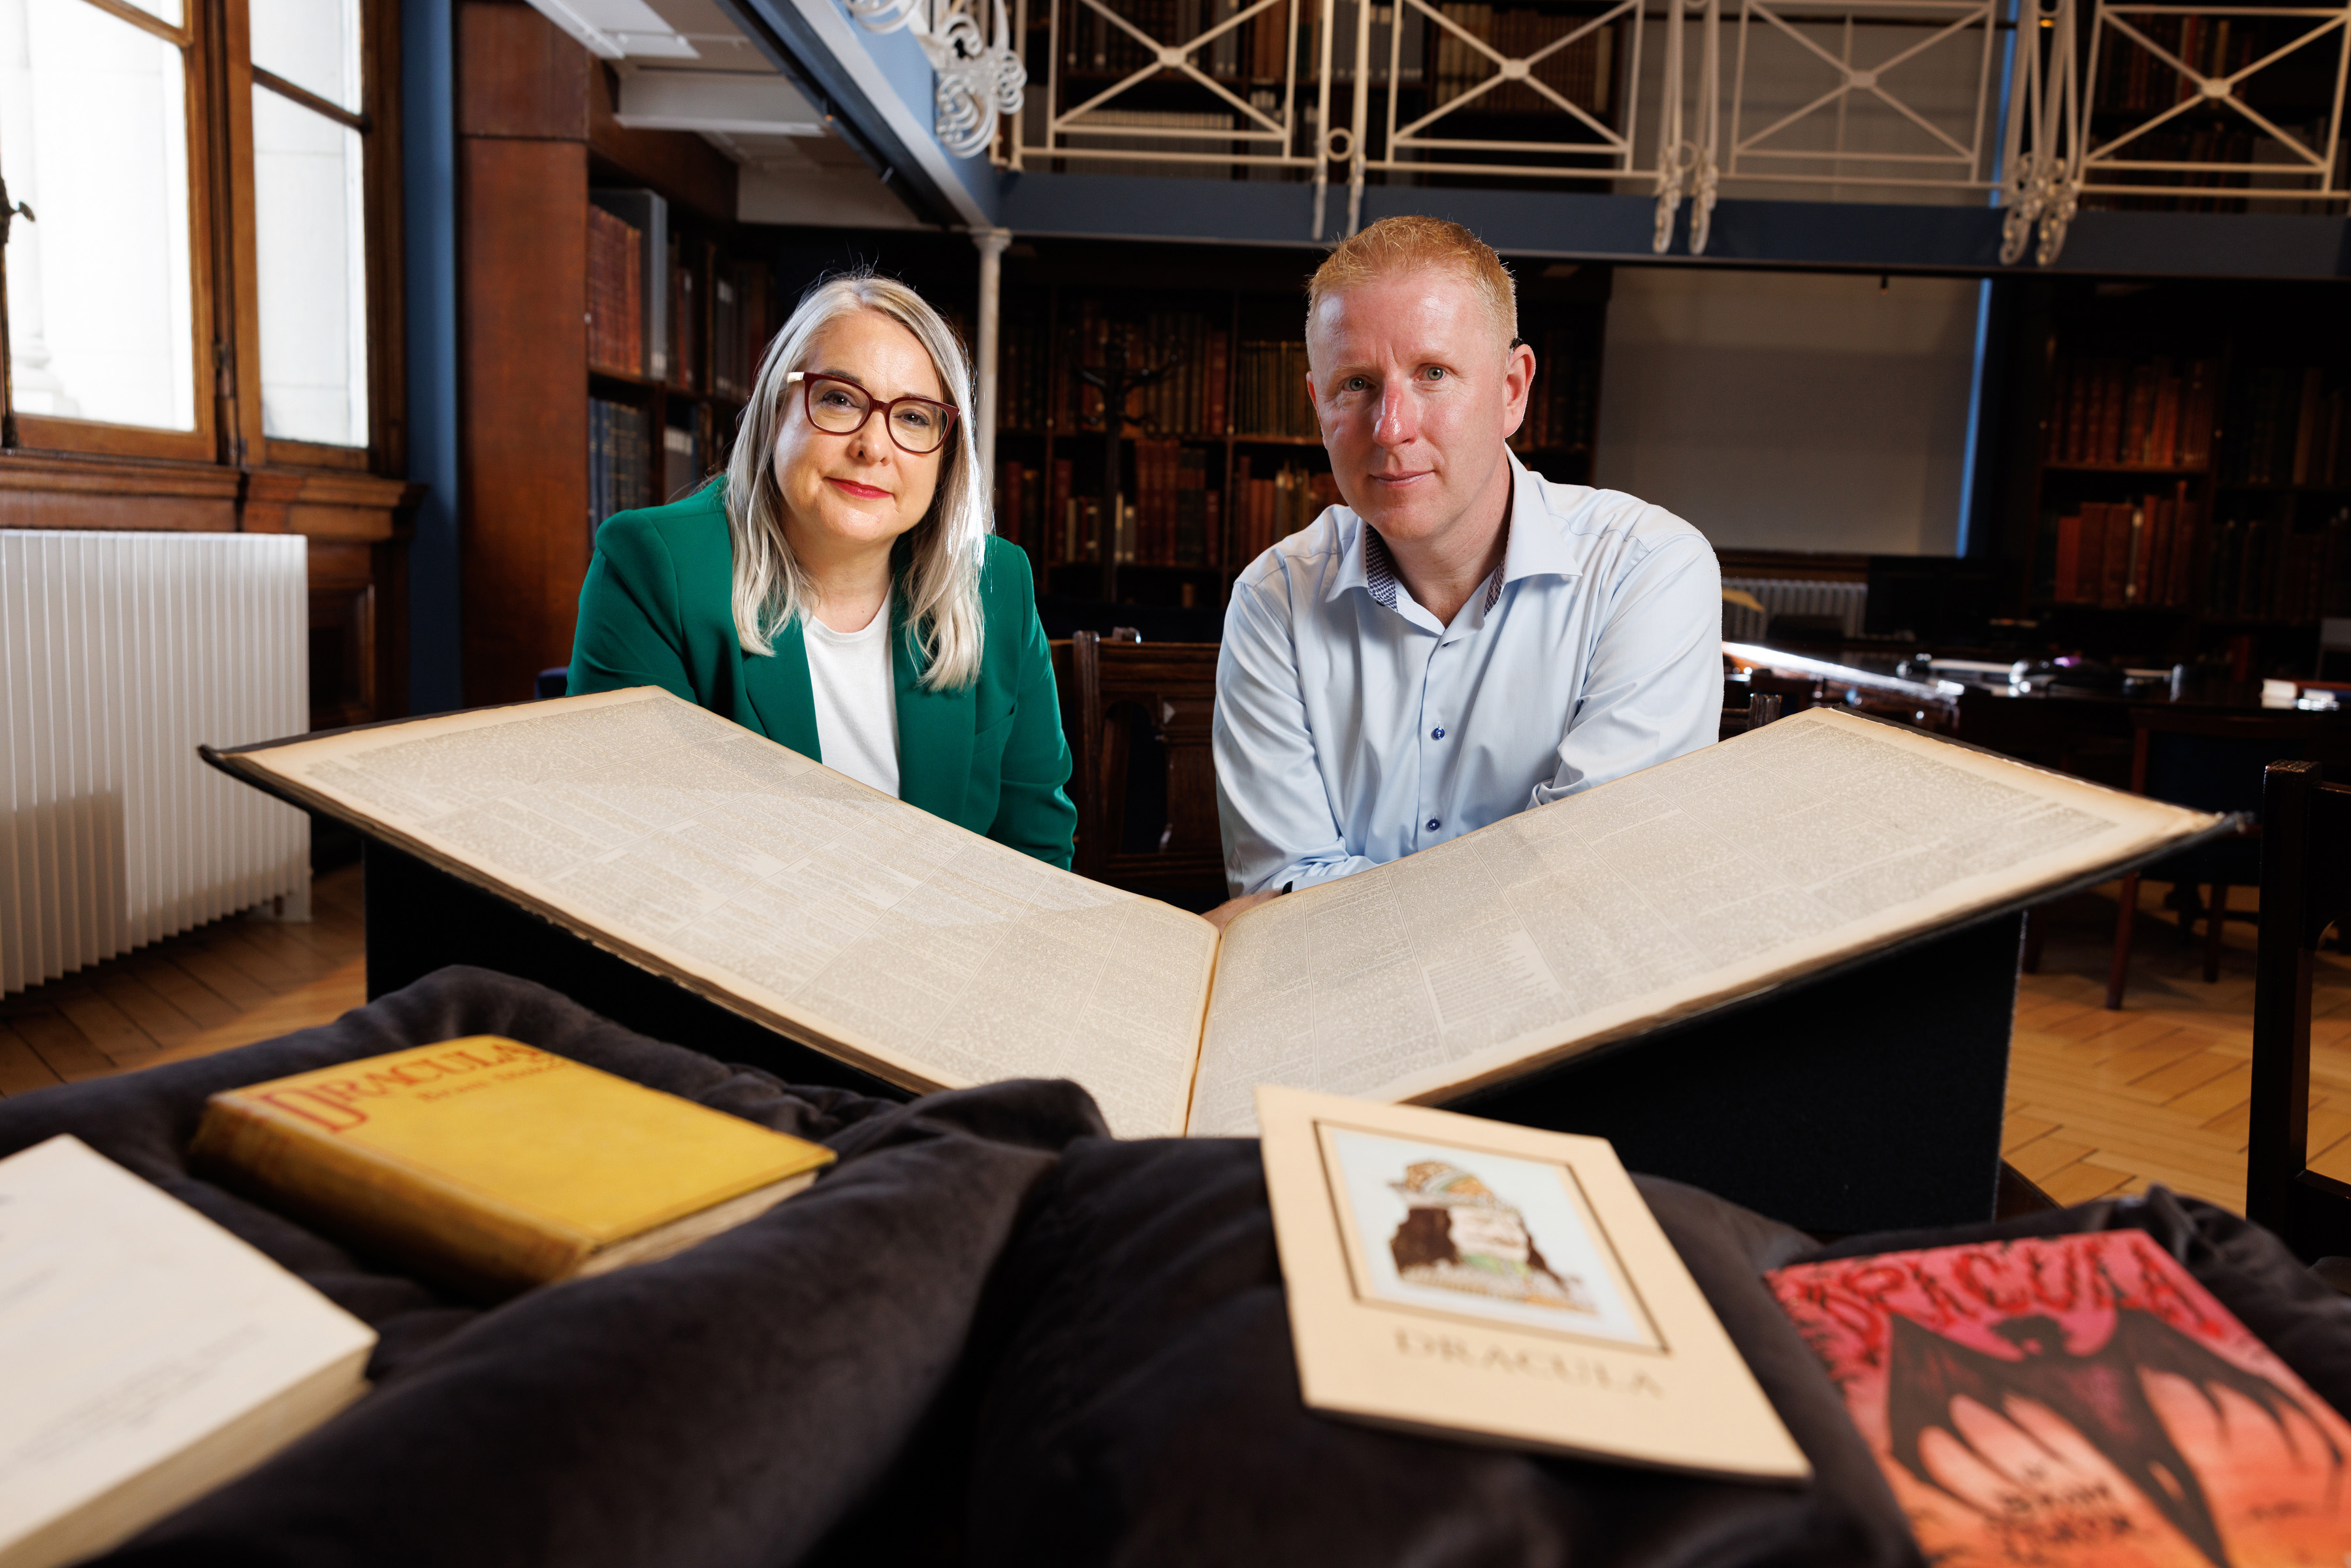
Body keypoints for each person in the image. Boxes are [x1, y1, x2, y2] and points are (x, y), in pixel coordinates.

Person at [1209, 216, 1721, 927]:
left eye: (1433, 374)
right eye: (1355, 383)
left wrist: (1336, 903)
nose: (1390, 427)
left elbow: (1596, 887)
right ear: (1317, 406)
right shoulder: (1272, 602)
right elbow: (1289, 893)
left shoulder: (1648, 571)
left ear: (1513, 390)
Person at [568, 272, 1077, 867]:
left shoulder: (999, 587)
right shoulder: (656, 567)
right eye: (839, 398)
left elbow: (1035, 853)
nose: (873, 445)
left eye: (913, 417)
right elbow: (632, 849)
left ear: (946, 454)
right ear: (776, 409)